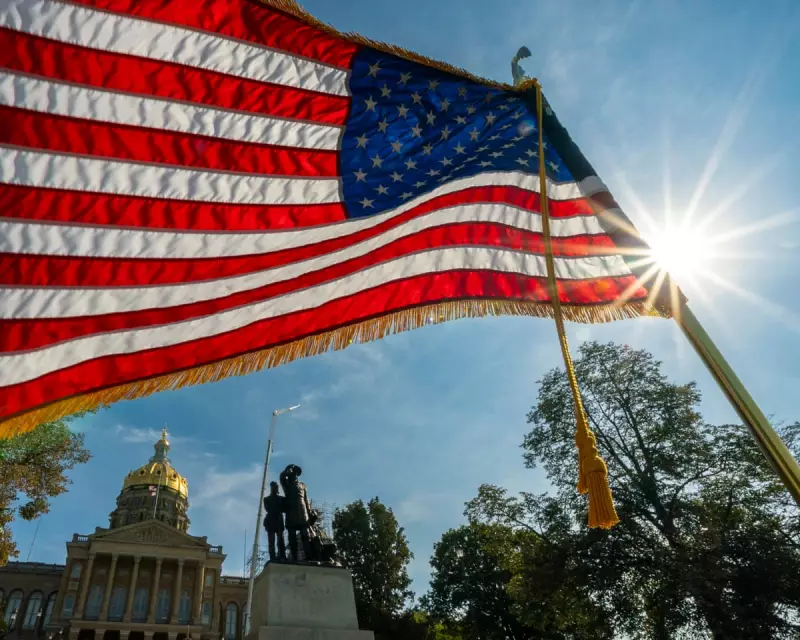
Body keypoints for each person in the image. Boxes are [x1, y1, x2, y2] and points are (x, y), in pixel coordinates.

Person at [279, 464, 312, 561]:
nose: (295, 474)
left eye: (296, 472)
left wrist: (309, 511)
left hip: (302, 512)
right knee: (292, 535)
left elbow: (306, 499)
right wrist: (287, 470)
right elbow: (281, 477)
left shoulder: (302, 485)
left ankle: (309, 556)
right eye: (293, 472)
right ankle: (294, 557)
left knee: (306, 535)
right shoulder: (287, 484)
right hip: (291, 512)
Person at [262, 481, 286, 561]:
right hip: (271, 521)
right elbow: (268, 509)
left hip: (279, 521)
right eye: (274, 487)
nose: (276, 489)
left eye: (277, 487)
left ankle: (282, 556)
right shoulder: (266, 499)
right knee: (271, 541)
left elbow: (285, 509)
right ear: (271, 488)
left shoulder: (282, 499)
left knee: (280, 540)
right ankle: (272, 557)